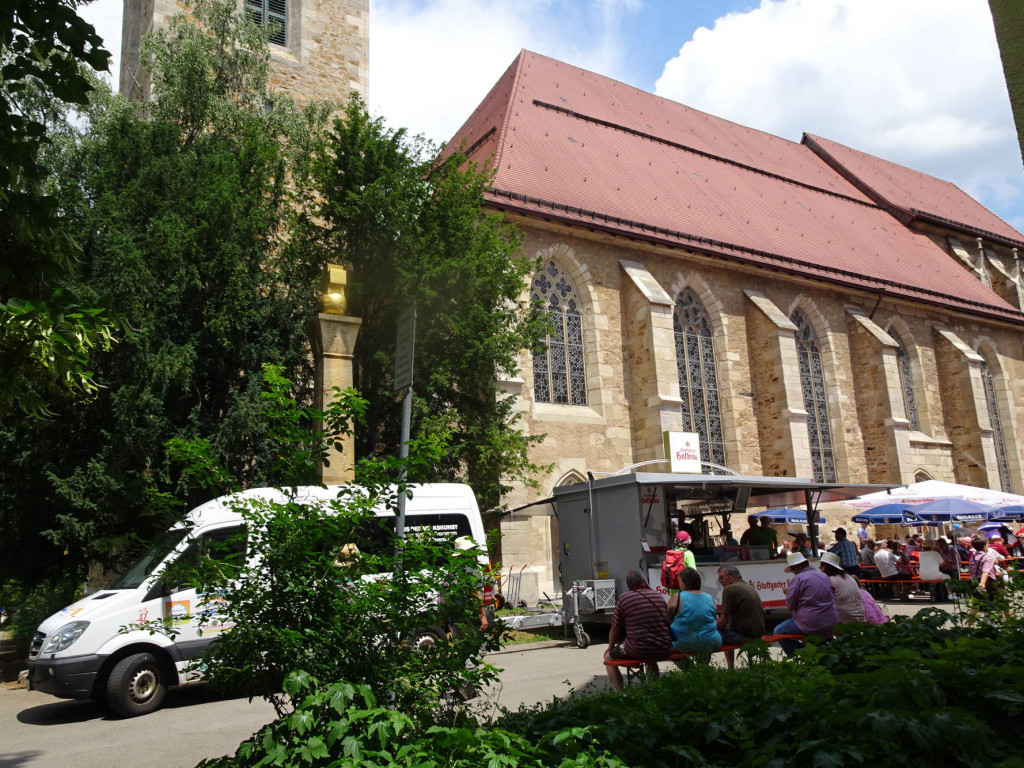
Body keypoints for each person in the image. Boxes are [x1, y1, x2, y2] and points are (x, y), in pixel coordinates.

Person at [604, 571, 673, 692]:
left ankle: (621, 694)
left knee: (608, 659)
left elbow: (615, 628)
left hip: (637, 649)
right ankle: (653, 690)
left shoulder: (624, 599)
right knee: (650, 658)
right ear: (644, 581)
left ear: (628, 585)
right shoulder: (658, 596)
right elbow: (667, 622)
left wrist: (610, 647)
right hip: (664, 647)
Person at [775, 552, 838, 656]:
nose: (794, 573)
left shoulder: (798, 579)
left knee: (778, 632)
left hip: (811, 623)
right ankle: (820, 649)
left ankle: (801, 654)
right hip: (831, 620)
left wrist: (788, 593)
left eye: (793, 570)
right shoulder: (823, 576)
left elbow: (790, 606)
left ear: (797, 567)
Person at [715, 564, 765, 669]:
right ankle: (732, 668)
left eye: (721, 577)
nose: (719, 581)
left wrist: (708, 627)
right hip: (757, 634)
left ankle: (729, 668)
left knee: (707, 634)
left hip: (744, 636)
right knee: (726, 629)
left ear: (732, 576)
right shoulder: (749, 586)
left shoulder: (729, 589)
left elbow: (722, 622)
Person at [667, 567, 721, 657]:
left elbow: (667, 620)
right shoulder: (710, 598)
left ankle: (689, 668)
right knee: (704, 642)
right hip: (712, 642)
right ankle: (703, 667)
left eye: (680, 581)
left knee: (667, 648)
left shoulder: (677, 597)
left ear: (684, 583)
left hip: (683, 644)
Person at [819, 551, 865, 624]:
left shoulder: (830, 580)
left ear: (827, 566)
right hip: (860, 617)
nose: (819, 567)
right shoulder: (849, 577)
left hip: (844, 619)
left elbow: (822, 601)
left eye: (822, 565)